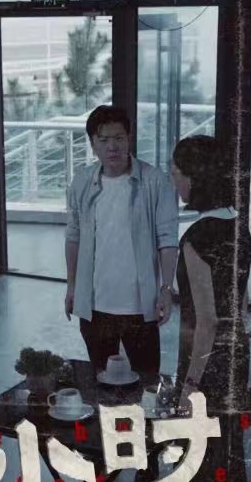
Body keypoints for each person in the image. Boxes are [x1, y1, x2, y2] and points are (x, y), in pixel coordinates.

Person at [170, 135, 251, 482]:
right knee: (227, 458)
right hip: (235, 359)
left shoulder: (196, 238)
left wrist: (190, 384)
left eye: (178, 172)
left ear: (194, 179)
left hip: (207, 363)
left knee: (204, 465)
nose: (175, 180)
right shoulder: (239, 226)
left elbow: (207, 321)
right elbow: (241, 307)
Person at [65, 105, 179, 375]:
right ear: (93, 143)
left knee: (146, 380)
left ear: (129, 138)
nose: (112, 147)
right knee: (101, 380)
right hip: (95, 306)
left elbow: (167, 239)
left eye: (118, 138)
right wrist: (72, 287)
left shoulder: (155, 181)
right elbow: (73, 237)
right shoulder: (82, 181)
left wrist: (166, 288)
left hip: (140, 306)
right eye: (103, 140)